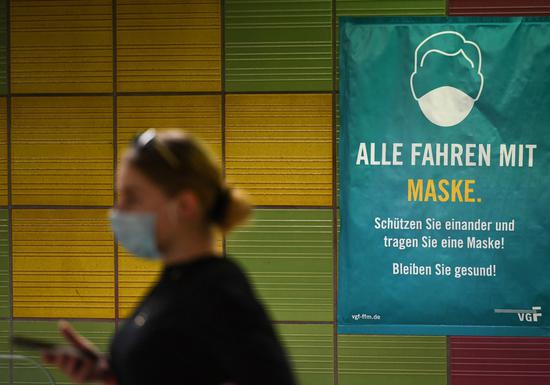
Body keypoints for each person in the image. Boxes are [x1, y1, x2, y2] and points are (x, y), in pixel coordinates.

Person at [41, 129, 298, 385]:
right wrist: (108, 372)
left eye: (131, 198)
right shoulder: (175, 281)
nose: (117, 211)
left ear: (184, 205)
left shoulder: (217, 291)